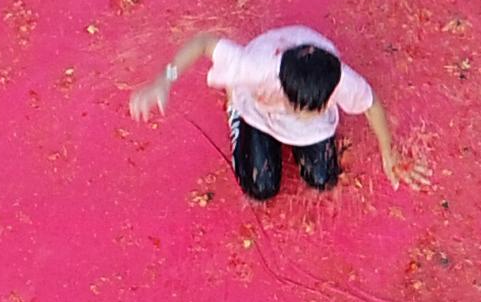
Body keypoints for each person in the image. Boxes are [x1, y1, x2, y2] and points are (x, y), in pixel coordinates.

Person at [131, 19, 406, 193]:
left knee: (323, 180)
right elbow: (203, 43)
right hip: (257, 112)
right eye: (300, 108)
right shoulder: (256, 67)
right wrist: (163, 81)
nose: (305, 114)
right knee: (260, 188)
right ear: (283, 88)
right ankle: (235, 113)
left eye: (317, 108)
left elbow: (371, 104)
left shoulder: (340, 79)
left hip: (310, 127)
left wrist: (387, 152)